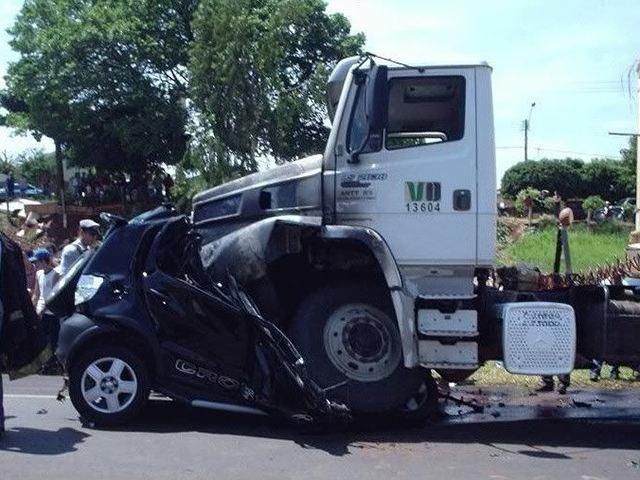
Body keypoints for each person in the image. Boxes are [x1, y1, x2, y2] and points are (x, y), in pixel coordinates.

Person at [29, 248, 60, 373]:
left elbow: (54, 296)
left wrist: (42, 310)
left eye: (37, 262)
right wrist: (32, 308)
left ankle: (51, 365)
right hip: (39, 311)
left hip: (51, 313)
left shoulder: (55, 275)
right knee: (40, 339)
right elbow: (37, 293)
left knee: (51, 341)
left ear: (43, 261)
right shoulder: (39, 274)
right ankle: (41, 363)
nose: (35, 264)